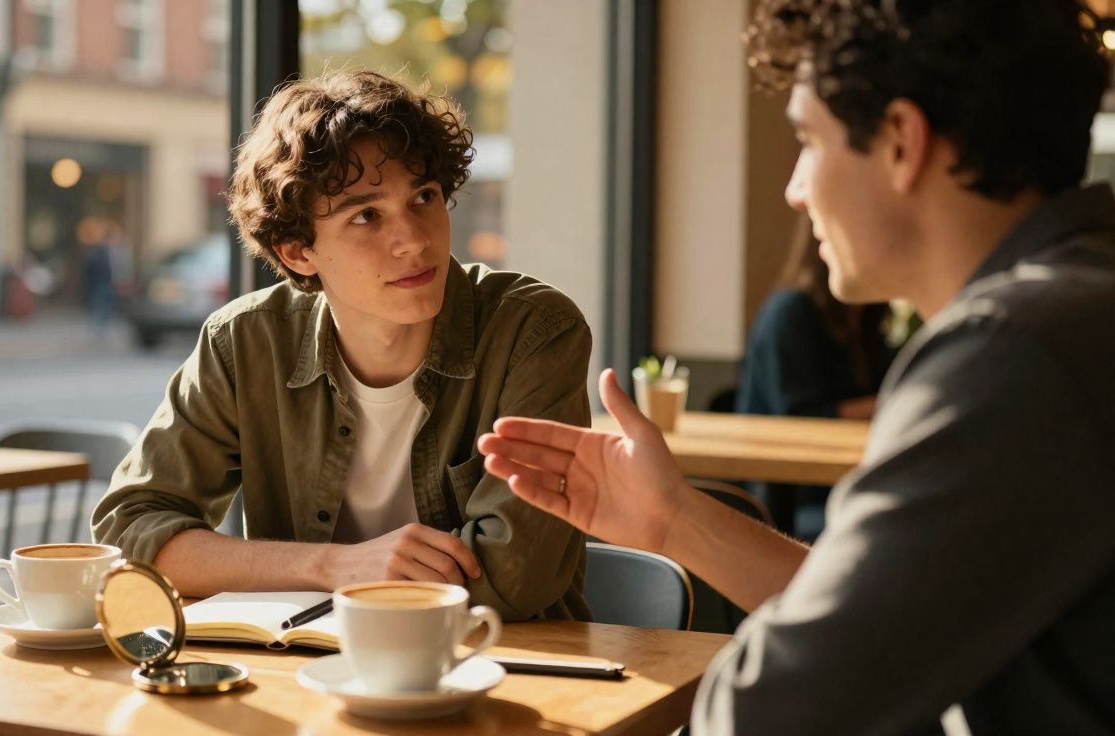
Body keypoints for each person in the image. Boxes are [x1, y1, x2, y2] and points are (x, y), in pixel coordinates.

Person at [479, 1, 1115, 732]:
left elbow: (776, 713)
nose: (795, 187)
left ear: (903, 142)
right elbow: (884, 624)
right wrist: (674, 519)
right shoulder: (1075, 311)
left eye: (809, 141)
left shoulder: (1012, 353)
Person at [92, 70, 592, 621]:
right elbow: (131, 532)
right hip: (303, 670)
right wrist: (333, 566)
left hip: (512, 669)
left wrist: (278, 570)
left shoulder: (533, 331)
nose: (415, 241)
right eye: (366, 215)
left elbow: (513, 575)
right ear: (297, 253)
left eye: (423, 196)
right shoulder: (245, 342)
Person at [737, 215, 897, 535]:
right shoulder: (789, 313)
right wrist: (893, 402)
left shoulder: (868, 320)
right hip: (791, 496)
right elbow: (799, 418)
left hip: (848, 480)